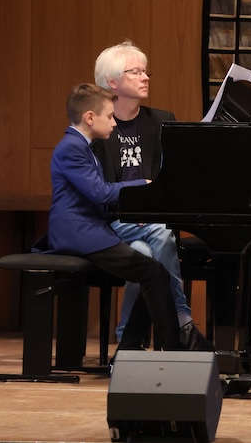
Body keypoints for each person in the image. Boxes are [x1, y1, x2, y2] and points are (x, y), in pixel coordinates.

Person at [48, 83, 182, 351]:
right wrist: (140, 184)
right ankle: (169, 348)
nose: (113, 122)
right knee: (154, 272)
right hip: (79, 233)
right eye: (109, 117)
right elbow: (99, 193)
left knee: (153, 270)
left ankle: (131, 347)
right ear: (89, 118)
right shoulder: (72, 148)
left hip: (89, 229)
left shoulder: (82, 145)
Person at [91, 41, 206, 351]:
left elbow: (180, 176)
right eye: (135, 72)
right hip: (111, 224)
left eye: (146, 71)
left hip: (152, 223)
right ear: (112, 82)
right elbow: (95, 192)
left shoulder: (162, 120)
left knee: (144, 252)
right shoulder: (98, 125)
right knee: (159, 234)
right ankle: (182, 319)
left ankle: (128, 339)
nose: (145, 77)